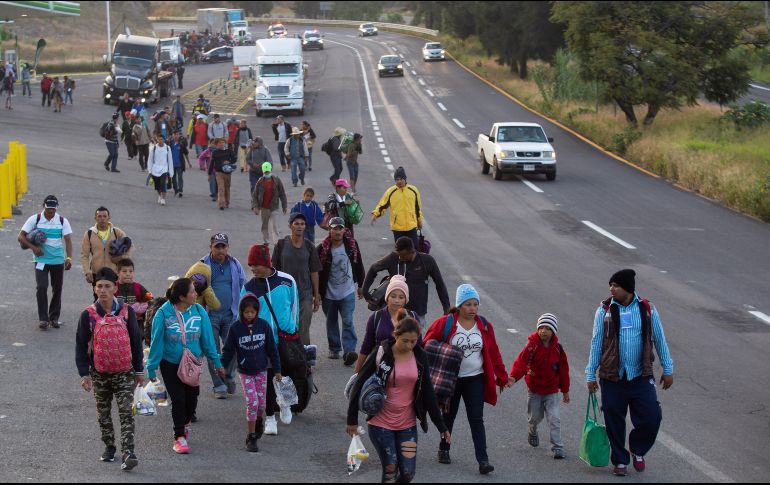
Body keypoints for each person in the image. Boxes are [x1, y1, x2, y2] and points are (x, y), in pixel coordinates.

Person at [585, 269, 674, 476]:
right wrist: (590, 373)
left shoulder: (648, 309)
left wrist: (668, 369)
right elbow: (596, 343)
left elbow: (659, 339)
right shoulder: (604, 311)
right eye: (611, 285)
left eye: (615, 285)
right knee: (614, 419)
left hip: (640, 375)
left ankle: (637, 449)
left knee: (652, 416)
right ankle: (620, 460)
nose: (611, 289)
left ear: (628, 288)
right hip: (612, 377)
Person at [347, 313, 451, 484]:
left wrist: (441, 426)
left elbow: (428, 393)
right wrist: (351, 420)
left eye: (413, 341)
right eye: (405, 341)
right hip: (380, 423)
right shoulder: (382, 353)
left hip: (407, 425)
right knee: (390, 470)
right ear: (396, 336)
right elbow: (359, 384)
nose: (409, 345)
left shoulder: (420, 357)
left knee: (408, 473)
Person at [423, 284, 510, 475]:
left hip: (475, 379)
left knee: (476, 418)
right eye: (468, 304)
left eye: (475, 304)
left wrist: (502, 377)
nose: (472, 309)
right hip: (451, 380)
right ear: (459, 306)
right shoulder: (445, 323)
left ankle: (483, 460)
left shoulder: (484, 325)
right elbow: (426, 344)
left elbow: (494, 353)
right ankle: (444, 449)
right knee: (449, 416)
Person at [75, 267, 144, 471]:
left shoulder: (126, 311)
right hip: (99, 372)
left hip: (124, 371)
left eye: (107, 286)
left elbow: (135, 341)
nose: (103, 290)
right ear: (95, 289)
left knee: (126, 412)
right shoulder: (87, 315)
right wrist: (84, 374)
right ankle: (109, 446)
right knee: (103, 414)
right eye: (99, 286)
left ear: (116, 288)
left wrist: (139, 370)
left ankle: (128, 452)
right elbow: (80, 345)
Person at [147, 278, 225, 454]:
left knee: (192, 399)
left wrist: (217, 363)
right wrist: (151, 368)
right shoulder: (163, 314)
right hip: (170, 364)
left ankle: (186, 421)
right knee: (178, 398)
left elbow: (208, 341)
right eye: (192, 292)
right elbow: (156, 342)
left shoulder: (199, 311)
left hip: (192, 363)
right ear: (182, 297)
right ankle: (179, 437)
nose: (196, 294)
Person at [242, 244, 300, 436]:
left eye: (255, 264)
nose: (253, 269)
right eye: (251, 265)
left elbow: (294, 308)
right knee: (265, 380)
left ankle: (285, 404)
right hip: (260, 343)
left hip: (285, 339)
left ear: (266, 263)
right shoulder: (249, 288)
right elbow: (242, 317)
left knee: (285, 374)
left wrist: (294, 331)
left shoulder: (287, 281)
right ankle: (269, 418)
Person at [221, 293, 282, 453]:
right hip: (245, 372)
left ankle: (259, 421)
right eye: (246, 312)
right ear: (241, 312)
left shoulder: (263, 326)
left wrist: (277, 370)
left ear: (257, 312)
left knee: (261, 404)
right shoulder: (235, 328)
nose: (249, 315)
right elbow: (228, 350)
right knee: (252, 402)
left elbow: (272, 349)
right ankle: (251, 436)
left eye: (252, 312)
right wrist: (222, 366)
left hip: (262, 370)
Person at [509, 313, 570, 459]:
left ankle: (557, 447)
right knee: (535, 417)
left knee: (554, 418)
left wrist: (565, 390)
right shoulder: (532, 345)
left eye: (548, 328)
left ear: (553, 331)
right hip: (535, 389)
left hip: (551, 390)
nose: (543, 331)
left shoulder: (558, 349)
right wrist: (513, 377)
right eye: (541, 327)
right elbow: (521, 362)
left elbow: (563, 370)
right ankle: (532, 430)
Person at [362, 237, 450, 329]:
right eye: (398, 254)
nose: (400, 258)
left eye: (403, 256)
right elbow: (373, 268)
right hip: (395, 311)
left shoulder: (427, 261)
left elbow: (439, 283)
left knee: (414, 341)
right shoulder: (393, 258)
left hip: (417, 313)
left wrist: (446, 307)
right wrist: (365, 291)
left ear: (412, 251)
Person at [199, 233, 247, 398]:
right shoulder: (202, 265)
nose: (220, 250)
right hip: (209, 316)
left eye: (223, 246)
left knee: (233, 349)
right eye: (217, 246)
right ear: (210, 247)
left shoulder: (234, 263)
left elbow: (242, 284)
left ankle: (229, 376)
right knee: (213, 351)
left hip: (231, 314)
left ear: (227, 248)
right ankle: (219, 385)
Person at [18, 195, 73, 330]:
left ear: (56, 208)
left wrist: (69, 258)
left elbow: (68, 240)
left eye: (53, 209)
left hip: (57, 260)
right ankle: (43, 319)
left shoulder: (62, 221)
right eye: (49, 209)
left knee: (57, 288)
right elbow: (20, 236)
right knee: (41, 287)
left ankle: (53, 318)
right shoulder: (35, 219)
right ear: (44, 206)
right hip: (41, 260)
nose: (51, 212)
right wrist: (34, 248)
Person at [316, 217, 365, 365]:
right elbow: (316, 272)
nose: (337, 231)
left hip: (347, 291)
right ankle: (334, 347)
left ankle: (349, 351)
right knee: (331, 321)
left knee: (348, 321)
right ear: (329, 230)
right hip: (329, 294)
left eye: (340, 228)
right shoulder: (322, 248)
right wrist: (316, 293)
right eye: (334, 228)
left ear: (344, 230)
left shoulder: (351, 245)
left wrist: (361, 285)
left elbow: (359, 264)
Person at [272, 213, 322, 346]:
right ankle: (287, 357)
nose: (300, 226)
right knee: (285, 326)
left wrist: (316, 295)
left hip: (304, 294)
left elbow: (314, 272)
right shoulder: (281, 245)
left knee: (304, 327)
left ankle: (305, 360)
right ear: (290, 226)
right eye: (296, 223)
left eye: (302, 224)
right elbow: (273, 271)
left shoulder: (310, 246)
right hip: (285, 294)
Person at [353, 275, 418, 373]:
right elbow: (367, 345)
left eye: (401, 297)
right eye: (393, 296)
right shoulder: (376, 318)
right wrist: (357, 372)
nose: (396, 300)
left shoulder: (412, 317)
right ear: (387, 297)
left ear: (406, 299)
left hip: (405, 368)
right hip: (379, 367)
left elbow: (419, 346)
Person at [79, 206, 132, 293]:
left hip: (114, 273)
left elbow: (129, 245)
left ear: (109, 218)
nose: (102, 219)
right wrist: (87, 271)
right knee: (98, 299)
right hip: (97, 273)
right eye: (99, 216)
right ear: (95, 218)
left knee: (114, 298)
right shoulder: (89, 234)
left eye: (104, 216)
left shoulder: (116, 232)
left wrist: (122, 257)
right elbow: (84, 255)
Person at [371, 167, 423, 248]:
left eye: (401, 179)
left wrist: (419, 221)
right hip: (397, 228)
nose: (399, 181)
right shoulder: (391, 191)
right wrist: (375, 215)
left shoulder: (413, 190)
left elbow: (417, 208)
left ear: (405, 179)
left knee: (414, 249)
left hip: (411, 226)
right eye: (397, 179)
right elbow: (382, 205)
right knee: (401, 251)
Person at [252, 162, 288, 245]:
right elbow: (255, 195)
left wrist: (284, 206)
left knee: (275, 225)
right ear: (263, 172)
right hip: (264, 208)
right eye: (265, 172)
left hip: (274, 207)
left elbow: (282, 194)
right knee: (264, 226)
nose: (267, 174)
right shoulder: (260, 181)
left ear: (271, 170)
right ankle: (266, 242)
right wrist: (255, 207)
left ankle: (277, 242)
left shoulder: (277, 180)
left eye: (268, 172)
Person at [115, 258, 153, 335]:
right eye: (124, 271)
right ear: (118, 273)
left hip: (136, 324)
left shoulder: (138, 287)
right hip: (117, 324)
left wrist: (141, 311)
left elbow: (151, 300)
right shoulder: (113, 287)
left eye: (131, 271)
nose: (128, 274)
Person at [208, 138, 236, 210]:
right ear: (217, 144)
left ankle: (227, 202)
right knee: (221, 188)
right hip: (219, 172)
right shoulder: (215, 152)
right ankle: (221, 204)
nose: (221, 144)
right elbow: (211, 163)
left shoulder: (229, 151)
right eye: (219, 143)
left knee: (227, 188)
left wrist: (229, 161)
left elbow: (234, 159)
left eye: (223, 142)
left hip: (227, 173)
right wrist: (209, 174)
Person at [148, 135, 174, 206]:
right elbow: (150, 160)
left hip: (164, 169)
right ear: (157, 140)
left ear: (164, 140)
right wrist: (150, 170)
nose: (160, 141)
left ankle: (163, 198)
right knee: (157, 185)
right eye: (159, 139)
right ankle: (159, 195)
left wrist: (171, 173)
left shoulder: (167, 148)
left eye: (162, 139)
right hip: (155, 169)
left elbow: (170, 160)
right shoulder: (154, 148)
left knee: (163, 184)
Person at [170, 130, 191, 197]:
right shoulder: (170, 144)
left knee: (180, 177)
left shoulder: (181, 144)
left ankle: (180, 190)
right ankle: (176, 189)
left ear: (179, 135)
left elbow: (186, 154)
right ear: (172, 135)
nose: (176, 136)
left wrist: (189, 163)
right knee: (173, 178)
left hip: (180, 164)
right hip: (172, 165)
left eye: (177, 134)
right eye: (174, 134)